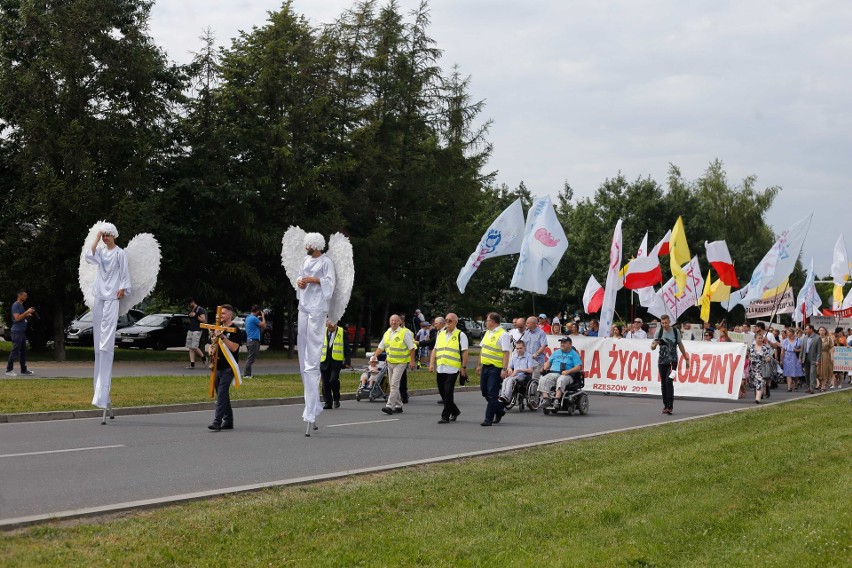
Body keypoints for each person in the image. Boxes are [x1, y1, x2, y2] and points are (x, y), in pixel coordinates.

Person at [84, 224, 131, 419]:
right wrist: (96, 238)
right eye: (103, 236)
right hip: (100, 295)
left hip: (112, 295)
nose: (105, 239)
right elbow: (89, 255)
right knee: (98, 338)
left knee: (107, 338)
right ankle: (99, 389)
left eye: (107, 236)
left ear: (114, 236)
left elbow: (125, 272)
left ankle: (103, 390)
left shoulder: (120, 253)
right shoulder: (101, 252)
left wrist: (122, 288)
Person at [296, 232, 337, 433]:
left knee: (313, 355)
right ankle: (310, 402)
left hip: (318, 308)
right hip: (304, 305)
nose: (306, 248)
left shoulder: (326, 262)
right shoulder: (305, 259)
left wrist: (315, 280)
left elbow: (331, 283)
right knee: (303, 351)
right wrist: (300, 282)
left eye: (308, 245)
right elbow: (298, 276)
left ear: (315, 245)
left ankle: (311, 409)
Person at [207, 304, 242, 431]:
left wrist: (222, 337)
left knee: (222, 393)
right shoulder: (217, 328)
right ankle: (228, 421)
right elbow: (211, 346)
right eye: (219, 314)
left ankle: (217, 421)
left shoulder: (235, 330)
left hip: (229, 367)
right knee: (222, 394)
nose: (220, 316)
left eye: (223, 313)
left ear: (230, 315)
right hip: (218, 366)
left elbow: (234, 348)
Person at [430, 313, 468, 424]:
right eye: (446, 320)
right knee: (442, 392)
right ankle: (455, 410)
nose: (447, 322)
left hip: (453, 368)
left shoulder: (460, 335)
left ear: (456, 322)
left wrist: (463, 367)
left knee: (448, 392)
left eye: (450, 320)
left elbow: (465, 352)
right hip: (441, 367)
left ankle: (445, 416)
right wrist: (432, 364)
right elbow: (435, 350)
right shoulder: (440, 334)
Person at [373, 314, 416, 415]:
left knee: (394, 384)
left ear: (400, 322)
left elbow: (412, 348)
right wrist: (375, 355)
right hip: (390, 362)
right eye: (391, 320)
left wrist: (412, 361)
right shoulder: (387, 333)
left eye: (395, 320)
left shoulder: (405, 333)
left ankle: (389, 406)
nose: (393, 322)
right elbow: (381, 346)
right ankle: (398, 405)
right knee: (392, 384)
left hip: (401, 363)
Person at [476, 312, 511, 426]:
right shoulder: (487, 333)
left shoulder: (503, 334)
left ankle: (488, 419)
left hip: (495, 368)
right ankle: (499, 410)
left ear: (492, 322)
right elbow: (482, 350)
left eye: (487, 320)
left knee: (492, 393)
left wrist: (504, 369)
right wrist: (479, 365)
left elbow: (506, 353)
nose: (486, 322)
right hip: (485, 366)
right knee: (484, 391)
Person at [650, 314, 687, 415]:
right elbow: (652, 347)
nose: (664, 325)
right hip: (662, 362)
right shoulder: (659, 332)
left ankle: (670, 406)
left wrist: (686, 357)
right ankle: (665, 405)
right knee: (663, 383)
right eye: (662, 323)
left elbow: (680, 344)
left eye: (666, 323)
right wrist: (654, 344)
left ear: (669, 322)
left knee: (669, 381)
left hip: (673, 362)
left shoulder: (675, 331)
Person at [537, 336, 583, 408]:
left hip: (567, 375)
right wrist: (544, 368)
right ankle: (546, 399)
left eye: (564, 343)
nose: (562, 344)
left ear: (570, 344)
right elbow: (549, 362)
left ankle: (557, 399)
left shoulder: (574, 354)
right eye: (561, 342)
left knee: (561, 379)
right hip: (554, 373)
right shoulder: (556, 353)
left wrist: (568, 371)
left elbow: (578, 367)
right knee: (543, 379)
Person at [320, 319, 350, 409]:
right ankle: (328, 402)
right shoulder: (322, 332)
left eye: (332, 327)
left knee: (333, 380)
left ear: (336, 324)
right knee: (325, 383)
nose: (330, 329)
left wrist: (347, 362)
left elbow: (347, 349)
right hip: (324, 361)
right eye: (328, 327)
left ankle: (336, 398)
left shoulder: (342, 332)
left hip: (336, 362)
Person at [5, 289, 35, 376]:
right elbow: (17, 318)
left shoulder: (21, 306)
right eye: (24, 295)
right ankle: (8, 370)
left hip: (22, 332)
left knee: (23, 352)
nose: (26, 297)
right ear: (19, 296)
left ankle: (24, 370)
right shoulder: (16, 305)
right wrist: (27, 312)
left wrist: (27, 315)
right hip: (16, 332)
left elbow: (21, 317)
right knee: (15, 351)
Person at [500, 340, 535, 404]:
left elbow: (531, 370)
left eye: (520, 348)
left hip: (524, 376)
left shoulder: (529, 356)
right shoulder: (514, 357)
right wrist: (509, 369)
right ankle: (503, 395)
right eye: (517, 348)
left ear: (524, 347)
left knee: (510, 380)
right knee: (505, 380)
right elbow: (509, 366)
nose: (518, 350)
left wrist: (519, 370)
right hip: (515, 375)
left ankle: (507, 397)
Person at [749, 334, 774, 403]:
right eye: (758, 338)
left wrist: (767, 358)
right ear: (755, 339)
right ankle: (759, 395)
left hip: (761, 369)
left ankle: (757, 399)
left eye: (761, 338)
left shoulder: (764, 348)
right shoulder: (751, 347)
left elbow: (768, 356)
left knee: (760, 382)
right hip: (752, 369)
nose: (760, 339)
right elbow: (746, 354)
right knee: (754, 383)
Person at [522, 315, 548, 381]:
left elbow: (543, 346)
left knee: (535, 379)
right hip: (527, 360)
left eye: (527, 323)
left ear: (533, 324)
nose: (526, 324)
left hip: (537, 360)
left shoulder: (541, 333)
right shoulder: (526, 332)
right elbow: (524, 345)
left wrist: (536, 354)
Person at [427, 317, 446, 404]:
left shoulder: (445, 332)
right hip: (440, 360)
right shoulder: (439, 332)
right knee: (440, 381)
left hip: (448, 361)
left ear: (441, 323)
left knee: (445, 381)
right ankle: (444, 397)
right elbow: (434, 345)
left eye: (436, 323)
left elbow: (432, 342)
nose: (434, 325)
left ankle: (447, 398)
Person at [243, 305, 266, 378]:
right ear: (258, 311)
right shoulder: (254, 318)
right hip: (253, 341)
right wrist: (263, 316)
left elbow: (254, 323)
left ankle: (247, 374)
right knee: (251, 359)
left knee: (250, 358)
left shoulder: (248, 317)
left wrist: (259, 317)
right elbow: (263, 325)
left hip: (249, 340)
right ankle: (246, 375)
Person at [186, 298, 208, 369]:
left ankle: (204, 358)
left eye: (189, 304)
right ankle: (192, 364)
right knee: (190, 347)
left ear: (193, 302)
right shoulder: (191, 310)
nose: (188, 305)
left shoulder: (200, 309)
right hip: (190, 329)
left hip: (197, 330)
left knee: (194, 346)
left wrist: (195, 315)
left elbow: (203, 320)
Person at [800, 324, 820, 394]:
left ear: (811, 329)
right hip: (805, 357)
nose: (805, 330)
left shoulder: (817, 338)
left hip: (813, 358)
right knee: (807, 373)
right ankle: (808, 386)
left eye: (807, 329)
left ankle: (812, 388)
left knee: (812, 373)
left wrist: (818, 360)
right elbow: (802, 348)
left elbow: (819, 350)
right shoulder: (805, 337)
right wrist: (800, 357)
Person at [817, 327, 834, 391]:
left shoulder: (829, 338)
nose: (821, 331)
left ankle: (823, 386)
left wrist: (831, 356)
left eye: (823, 330)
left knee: (824, 371)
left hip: (825, 355)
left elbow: (831, 347)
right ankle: (820, 384)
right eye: (820, 330)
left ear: (825, 331)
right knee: (817, 372)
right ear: (818, 331)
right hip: (817, 355)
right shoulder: (816, 338)